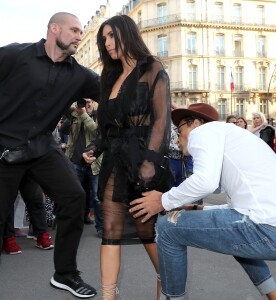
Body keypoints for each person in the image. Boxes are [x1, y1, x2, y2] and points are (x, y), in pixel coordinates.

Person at [129, 103, 276, 300]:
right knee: (233, 237)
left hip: (272, 230)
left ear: (195, 123)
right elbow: (238, 209)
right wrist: (195, 207)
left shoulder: (203, 132)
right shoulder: (232, 138)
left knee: (167, 227)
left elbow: (205, 182)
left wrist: (163, 200)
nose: (177, 136)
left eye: (180, 129)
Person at [0, 12, 100, 298]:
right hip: (4, 148)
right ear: (53, 29)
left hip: (42, 148)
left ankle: (65, 274)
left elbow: (114, 94)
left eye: (82, 32)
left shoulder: (80, 75)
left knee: (75, 197)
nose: (80, 37)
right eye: (74, 30)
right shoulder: (15, 55)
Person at [82, 15, 173, 300]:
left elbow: (161, 120)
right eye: (104, 38)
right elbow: (109, 127)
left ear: (126, 34)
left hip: (145, 160)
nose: (107, 43)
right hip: (115, 161)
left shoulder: (152, 67)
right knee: (109, 227)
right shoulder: (109, 77)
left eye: (111, 36)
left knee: (147, 231)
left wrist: (150, 163)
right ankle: (108, 296)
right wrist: (95, 148)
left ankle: (168, 281)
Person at [64, 98, 103, 236]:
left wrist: (83, 114)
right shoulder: (75, 114)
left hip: (94, 163)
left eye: (89, 101)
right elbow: (63, 106)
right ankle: (74, 224)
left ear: (93, 103)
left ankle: (101, 227)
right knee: (75, 194)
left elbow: (96, 131)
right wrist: (75, 103)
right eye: (84, 101)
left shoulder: (99, 115)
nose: (86, 104)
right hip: (75, 161)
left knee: (97, 197)